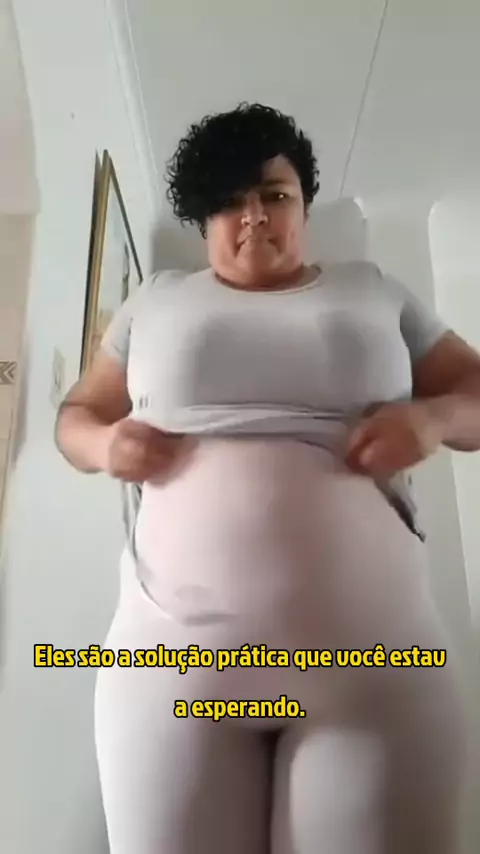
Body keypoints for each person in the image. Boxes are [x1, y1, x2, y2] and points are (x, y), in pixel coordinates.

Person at [55, 103, 480, 854]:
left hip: (374, 667)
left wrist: (432, 419)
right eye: (228, 202)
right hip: (173, 668)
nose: (252, 217)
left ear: (304, 205)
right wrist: (105, 442)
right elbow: (76, 417)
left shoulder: (374, 289)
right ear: (202, 219)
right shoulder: (156, 300)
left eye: (273, 196)